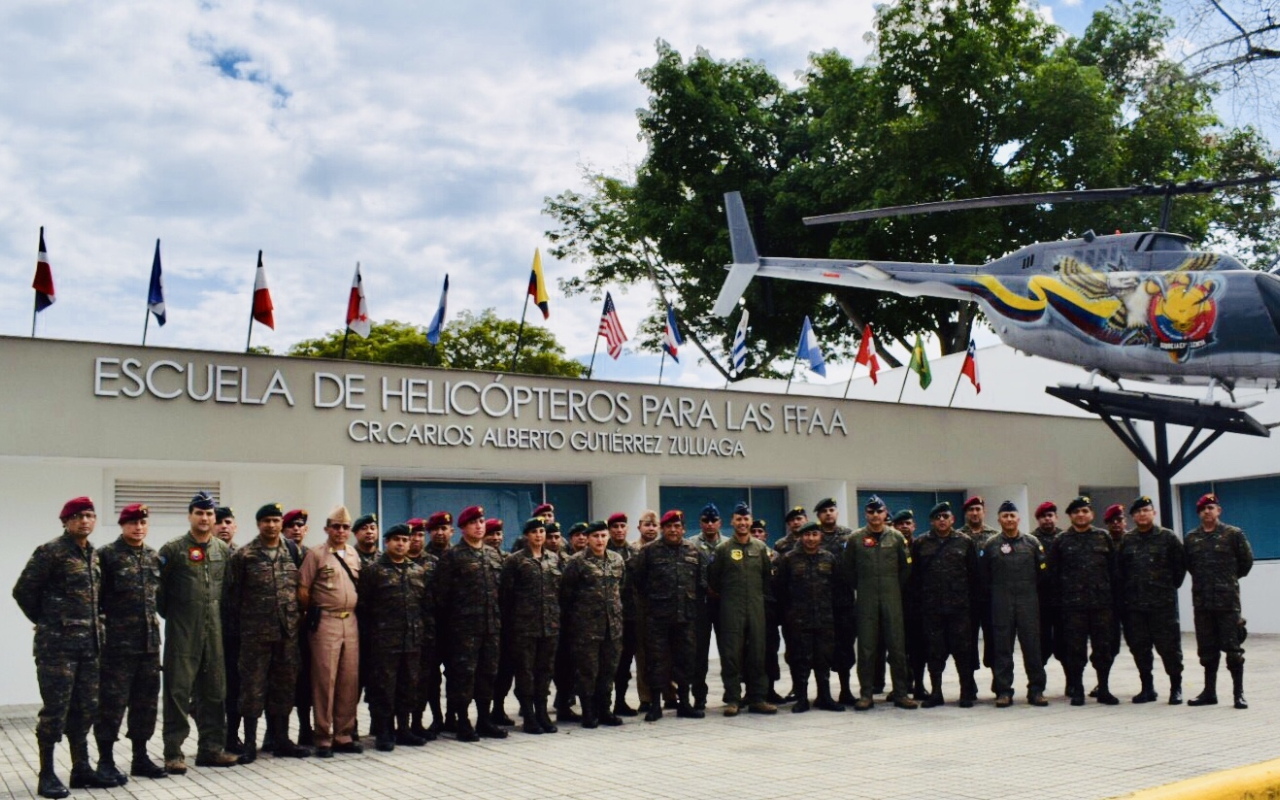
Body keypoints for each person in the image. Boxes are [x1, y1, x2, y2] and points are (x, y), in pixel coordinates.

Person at [13, 497, 112, 798]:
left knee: (85, 709)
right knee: (56, 710)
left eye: (90, 515)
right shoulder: (51, 552)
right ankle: (46, 774)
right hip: (58, 648)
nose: (85, 521)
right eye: (78, 516)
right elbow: (23, 591)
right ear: (66, 521)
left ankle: (81, 768)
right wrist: (47, 621)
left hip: (89, 647)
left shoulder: (93, 554)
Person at [156, 491, 239, 773]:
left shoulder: (222, 550)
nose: (205, 518)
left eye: (209, 514)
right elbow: (159, 593)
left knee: (215, 691)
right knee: (177, 692)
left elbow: (228, 590)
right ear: (190, 515)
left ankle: (211, 749)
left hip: (214, 631)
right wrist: (179, 617)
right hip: (183, 632)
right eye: (199, 513)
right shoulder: (173, 550)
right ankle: (173, 752)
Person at [226, 503, 312, 762]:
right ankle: (250, 743)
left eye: (276, 520)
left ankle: (281, 739)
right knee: (252, 688)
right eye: (267, 521)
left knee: (284, 686)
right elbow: (233, 598)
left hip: (287, 634)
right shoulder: (244, 556)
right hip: (255, 636)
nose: (272, 525)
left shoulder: (294, 551)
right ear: (258, 524)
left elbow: (300, 589)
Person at [94, 503, 166, 785]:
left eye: (143, 522)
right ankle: (105, 760)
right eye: (133, 522)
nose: (138, 527)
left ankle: (140, 757)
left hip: (149, 645)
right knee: (111, 704)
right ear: (122, 525)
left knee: (145, 704)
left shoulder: (153, 556)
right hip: (117, 646)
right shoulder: (106, 556)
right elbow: (94, 598)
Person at [359, 524, 433, 751]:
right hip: (383, 643)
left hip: (412, 641)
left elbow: (425, 606)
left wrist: (424, 636)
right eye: (396, 539)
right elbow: (363, 607)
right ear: (387, 542)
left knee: (408, 686)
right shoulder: (374, 571)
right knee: (383, 688)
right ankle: (383, 731)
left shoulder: (417, 570)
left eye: (404, 540)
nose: (401, 544)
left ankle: (404, 729)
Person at [298, 506, 363, 757]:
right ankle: (323, 736)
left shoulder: (353, 554)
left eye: (345, 527)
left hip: (350, 622)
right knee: (325, 680)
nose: (340, 531)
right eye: (336, 526)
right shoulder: (316, 554)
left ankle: (343, 735)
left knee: (349, 680)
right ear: (327, 529)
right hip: (326, 621)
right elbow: (303, 590)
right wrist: (314, 612)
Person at [436, 506, 506, 740]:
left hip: (491, 627)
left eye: (481, 521)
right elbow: (441, 596)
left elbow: (502, 592)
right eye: (473, 522)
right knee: (463, 676)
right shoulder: (453, 556)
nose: (479, 526)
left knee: (488, 674)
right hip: (464, 630)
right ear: (463, 528)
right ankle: (463, 721)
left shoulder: (493, 554)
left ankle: (484, 719)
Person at [629, 510, 706, 722]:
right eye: (669, 526)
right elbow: (638, 580)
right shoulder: (649, 551)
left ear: (683, 529)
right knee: (656, 661)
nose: (673, 530)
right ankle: (655, 705)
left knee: (685, 660)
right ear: (663, 529)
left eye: (677, 526)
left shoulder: (694, 551)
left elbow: (701, 582)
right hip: (658, 618)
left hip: (685, 617)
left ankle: (685, 703)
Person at [843, 496, 917, 710]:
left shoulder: (896, 537)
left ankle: (901, 693)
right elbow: (848, 569)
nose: (875, 515)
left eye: (879, 511)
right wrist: (862, 587)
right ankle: (866, 694)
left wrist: (892, 587)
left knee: (897, 647)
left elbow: (906, 568)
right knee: (866, 648)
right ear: (865, 514)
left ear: (885, 513)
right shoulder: (855, 539)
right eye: (871, 511)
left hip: (892, 598)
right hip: (866, 599)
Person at [1047, 496, 1120, 706]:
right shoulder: (1061, 540)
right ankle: (1077, 689)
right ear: (1070, 516)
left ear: (1092, 514)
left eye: (1085, 511)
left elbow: (1114, 572)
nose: (1081, 515)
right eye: (1076, 512)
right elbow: (1053, 575)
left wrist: (1114, 602)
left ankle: (1103, 688)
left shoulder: (1103, 537)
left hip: (1101, 605)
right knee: (1075, 650)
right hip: (1073, 607)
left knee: (1103, 649)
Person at [1184, 493, 1253, 709]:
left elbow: (1246, 562)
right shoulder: (1191, 538)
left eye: (1211, 507)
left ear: (1219, 511)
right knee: (1207, 651)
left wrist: (1228, 579)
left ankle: (1238, 694)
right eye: (1203, 509)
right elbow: (1190, 565)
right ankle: (1209, 692)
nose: (1207, 511)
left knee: (1233, 651)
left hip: (1227, 602)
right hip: (1203, 603)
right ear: (1199, 513)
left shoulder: (1233, 534)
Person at [709, 502, 776, 716]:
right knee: (731, 655)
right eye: (738, 519)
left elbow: (766, 579)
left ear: (750, 521)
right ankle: (733, 699)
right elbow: (714, 580)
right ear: (732, 521)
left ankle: (758, 698)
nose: (742, 523)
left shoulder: (760, 548)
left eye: (746, 519)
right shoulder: (723, 549)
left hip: (756, 607)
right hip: (731, 608)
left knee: (757, 653)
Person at [1117, 495, 1185, 705]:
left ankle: (1176, 687)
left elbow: (1179, 568)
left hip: (1162, 606)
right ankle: (1147, 688)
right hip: (1136, 606)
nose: (1142, 514)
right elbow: (1121, 571)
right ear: (1133, 517)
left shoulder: (1168, 538)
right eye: (1138, 512)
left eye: (1146, 510)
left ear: (1153, 513)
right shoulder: (1127, 540)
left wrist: (1166, 588)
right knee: (1140, 648)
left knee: (1169, 648)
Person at [979, 501, 1048, 707]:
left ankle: (1036, 690)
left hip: (1028, 602)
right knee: (1002, 649)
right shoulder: (991, 545)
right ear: (999, 519)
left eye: (1012, 515)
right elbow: (984, 576)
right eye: (1005, 516)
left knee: (1032, 648)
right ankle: (1003, 691)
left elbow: (1043, 574)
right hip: (1001, 603)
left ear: (1018, 518)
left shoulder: (1032, 543)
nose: (1009, 519)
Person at [911, 502, 978, 708]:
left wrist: (971, 606)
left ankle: (966, 692)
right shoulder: (921, 543)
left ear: (952, 519)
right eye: (937, 517)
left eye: (945, 516)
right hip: (932, 609)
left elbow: (974, 575)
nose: (941, 520)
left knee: (963, 651)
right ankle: (936, 693)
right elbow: (915, 578)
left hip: (959, 609)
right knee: (934, 652)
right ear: (931, 521)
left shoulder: (965, 542)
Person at [561, 521, 627, 728]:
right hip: (586, 628)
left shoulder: (617, 560)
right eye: (595, 536)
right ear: (588, 538)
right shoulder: (577, 562)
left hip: (612, 627)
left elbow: (621, 587)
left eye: (603, 536)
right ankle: (588, 712)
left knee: (608, 670)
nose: (600, 540)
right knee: (587, 671)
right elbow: (566, 594)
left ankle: (604, 710)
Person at [500, 517, 562, 734]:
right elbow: (506, 595)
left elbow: (560, 590)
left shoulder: (553, 558)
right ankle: (528, 715)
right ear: (527, 535)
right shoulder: (515, 561)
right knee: (525, 672)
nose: (539, 535)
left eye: (542, 531)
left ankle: (542, 713)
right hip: (524, 627)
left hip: (549, 625)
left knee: (544, 671)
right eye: (534, 531)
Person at [774, 521, 843, 713]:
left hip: (824, 619)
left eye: (814, 534)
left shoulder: (829, 558)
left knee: (823, 659)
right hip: (798, 620)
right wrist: (787, 615)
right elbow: (780, 589)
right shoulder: (789, 559)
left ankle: (824, 697)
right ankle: (802, 698)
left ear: (820, 536)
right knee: (800, 659)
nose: (810, 539)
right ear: (800, 537)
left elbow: (837, 588)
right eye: (806, 535)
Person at [814, 498, 857, 704]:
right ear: (818, 516)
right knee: (821, 649)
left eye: (831, 510)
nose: (828, 514)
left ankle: (845, 690)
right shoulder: (813, 536)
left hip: (844, 602)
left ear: (837, 512)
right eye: (824, 511)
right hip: (820, 603)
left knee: (845, 647)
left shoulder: (850, 536)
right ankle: (823, 693)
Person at [213, 506, 245, 755]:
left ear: (235, 526)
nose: (223, 526)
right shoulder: (204, 553)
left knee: (235, 686)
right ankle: (212, 737)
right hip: (208, 631)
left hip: (236, 633)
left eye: (228, 522)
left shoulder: (244, 556)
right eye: (219, 522)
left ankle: (232, 735)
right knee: (209, 689)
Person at [281, 508, 314, 746]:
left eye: (300, 525)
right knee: (280, 681)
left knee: (306, 680)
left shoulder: (312, 555)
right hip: (282, 628)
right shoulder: (278, 555)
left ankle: (306, 728)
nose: (296, 529)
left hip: (306, 628)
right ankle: (275, 733)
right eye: (291, 526)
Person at [687, 503, 723, 711]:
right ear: (700, 523)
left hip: (723, 605)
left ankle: (732, 693)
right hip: (700, 606)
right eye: (705, 520)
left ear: (720, 522)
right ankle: (699, 696)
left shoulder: (728, 544)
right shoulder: (691, 545)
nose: (710, 524)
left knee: (729, 650)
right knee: (699, 654)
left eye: (713, 520)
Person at [959, 496, 998, 694]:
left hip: (990, 598)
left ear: (984, 511)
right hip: (966, 599)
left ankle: (998, 679)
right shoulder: (957, 536)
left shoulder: (995, 537)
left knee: (994, 639)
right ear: (966, 513)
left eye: (978, 509)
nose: (974, 513)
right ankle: (969, 682)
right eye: (971, 510)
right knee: (968, 641)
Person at [553, 521, 590, 721]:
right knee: (561, 665)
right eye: (577, 535)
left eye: (585, 534)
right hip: (559, 620)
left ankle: (568, 701)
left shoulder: (592, 558)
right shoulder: (566, 560)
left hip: (582, 622)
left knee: (575, 666)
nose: (581, 538)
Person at [606, 512, 641, 717]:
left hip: (629, 616)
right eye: (615, 527)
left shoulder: (635, 552)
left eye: (622, 526)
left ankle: (620, 701)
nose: (619, 530)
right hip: (607, 617)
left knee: (625, 662)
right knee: (606, 662)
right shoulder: (602, 550)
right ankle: (602, 704)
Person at [419, 511, 451, 733]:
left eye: (444, 528)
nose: (440, 533)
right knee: (431, 677)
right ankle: (436, 717)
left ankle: (453, 716)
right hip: (430, 626)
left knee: (457, 675)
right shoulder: (422, 558)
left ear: (451, 531)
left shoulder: (458, 555)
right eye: (435, 529)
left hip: (456, 626)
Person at [485, 518, 517, 727]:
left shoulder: (508, 559)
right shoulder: (479, 559)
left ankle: (498, 708)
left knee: (505, 669)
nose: (496, 538)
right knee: (486, 671)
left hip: (506, 624)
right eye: (491, 534)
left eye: (498, 534)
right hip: (484, 624)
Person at [751, 518, 786, 704]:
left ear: (766, 535)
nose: (757, 535)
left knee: (770, 651)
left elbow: (782, 586)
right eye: (753, 532)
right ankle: (750, 692)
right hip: (750, 611)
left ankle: (770, 689)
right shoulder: (744, 555)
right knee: (749, 652)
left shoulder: (776, 557)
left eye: (760, 532)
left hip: (770, 612)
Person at [893, 509, 926, 699]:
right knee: (897, 649)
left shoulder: (922, 546)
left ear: (914, 526)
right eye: (900, 524)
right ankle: (902, 685)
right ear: (894, 527)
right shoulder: (890, 546)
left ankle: (919, 685)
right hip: (895, 604)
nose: (904, 527)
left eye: (908, 523)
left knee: (918, 648)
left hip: (918, 605)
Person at [632, 510, 660, 713]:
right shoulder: (632, 549)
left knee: (666, 655)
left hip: (662, 609)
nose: (650, 528)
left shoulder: (665, 548)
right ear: (639, 527)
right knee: (642, 656)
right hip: (640, 609)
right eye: (647, 525)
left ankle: (670, 694)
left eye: (654, 525)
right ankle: (645, 698)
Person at [1032, 501, 1062, 670]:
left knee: (1064, 645)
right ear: (1038, 519)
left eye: (1050, 515)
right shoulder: (1031, 540)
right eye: (1043, 516)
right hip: (1040, 601)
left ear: (1056, 517)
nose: (1047, 519)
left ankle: (1071, 681)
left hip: (1063, 600)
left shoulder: (1065, 538)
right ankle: (1039, 680)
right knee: (1041, 644)